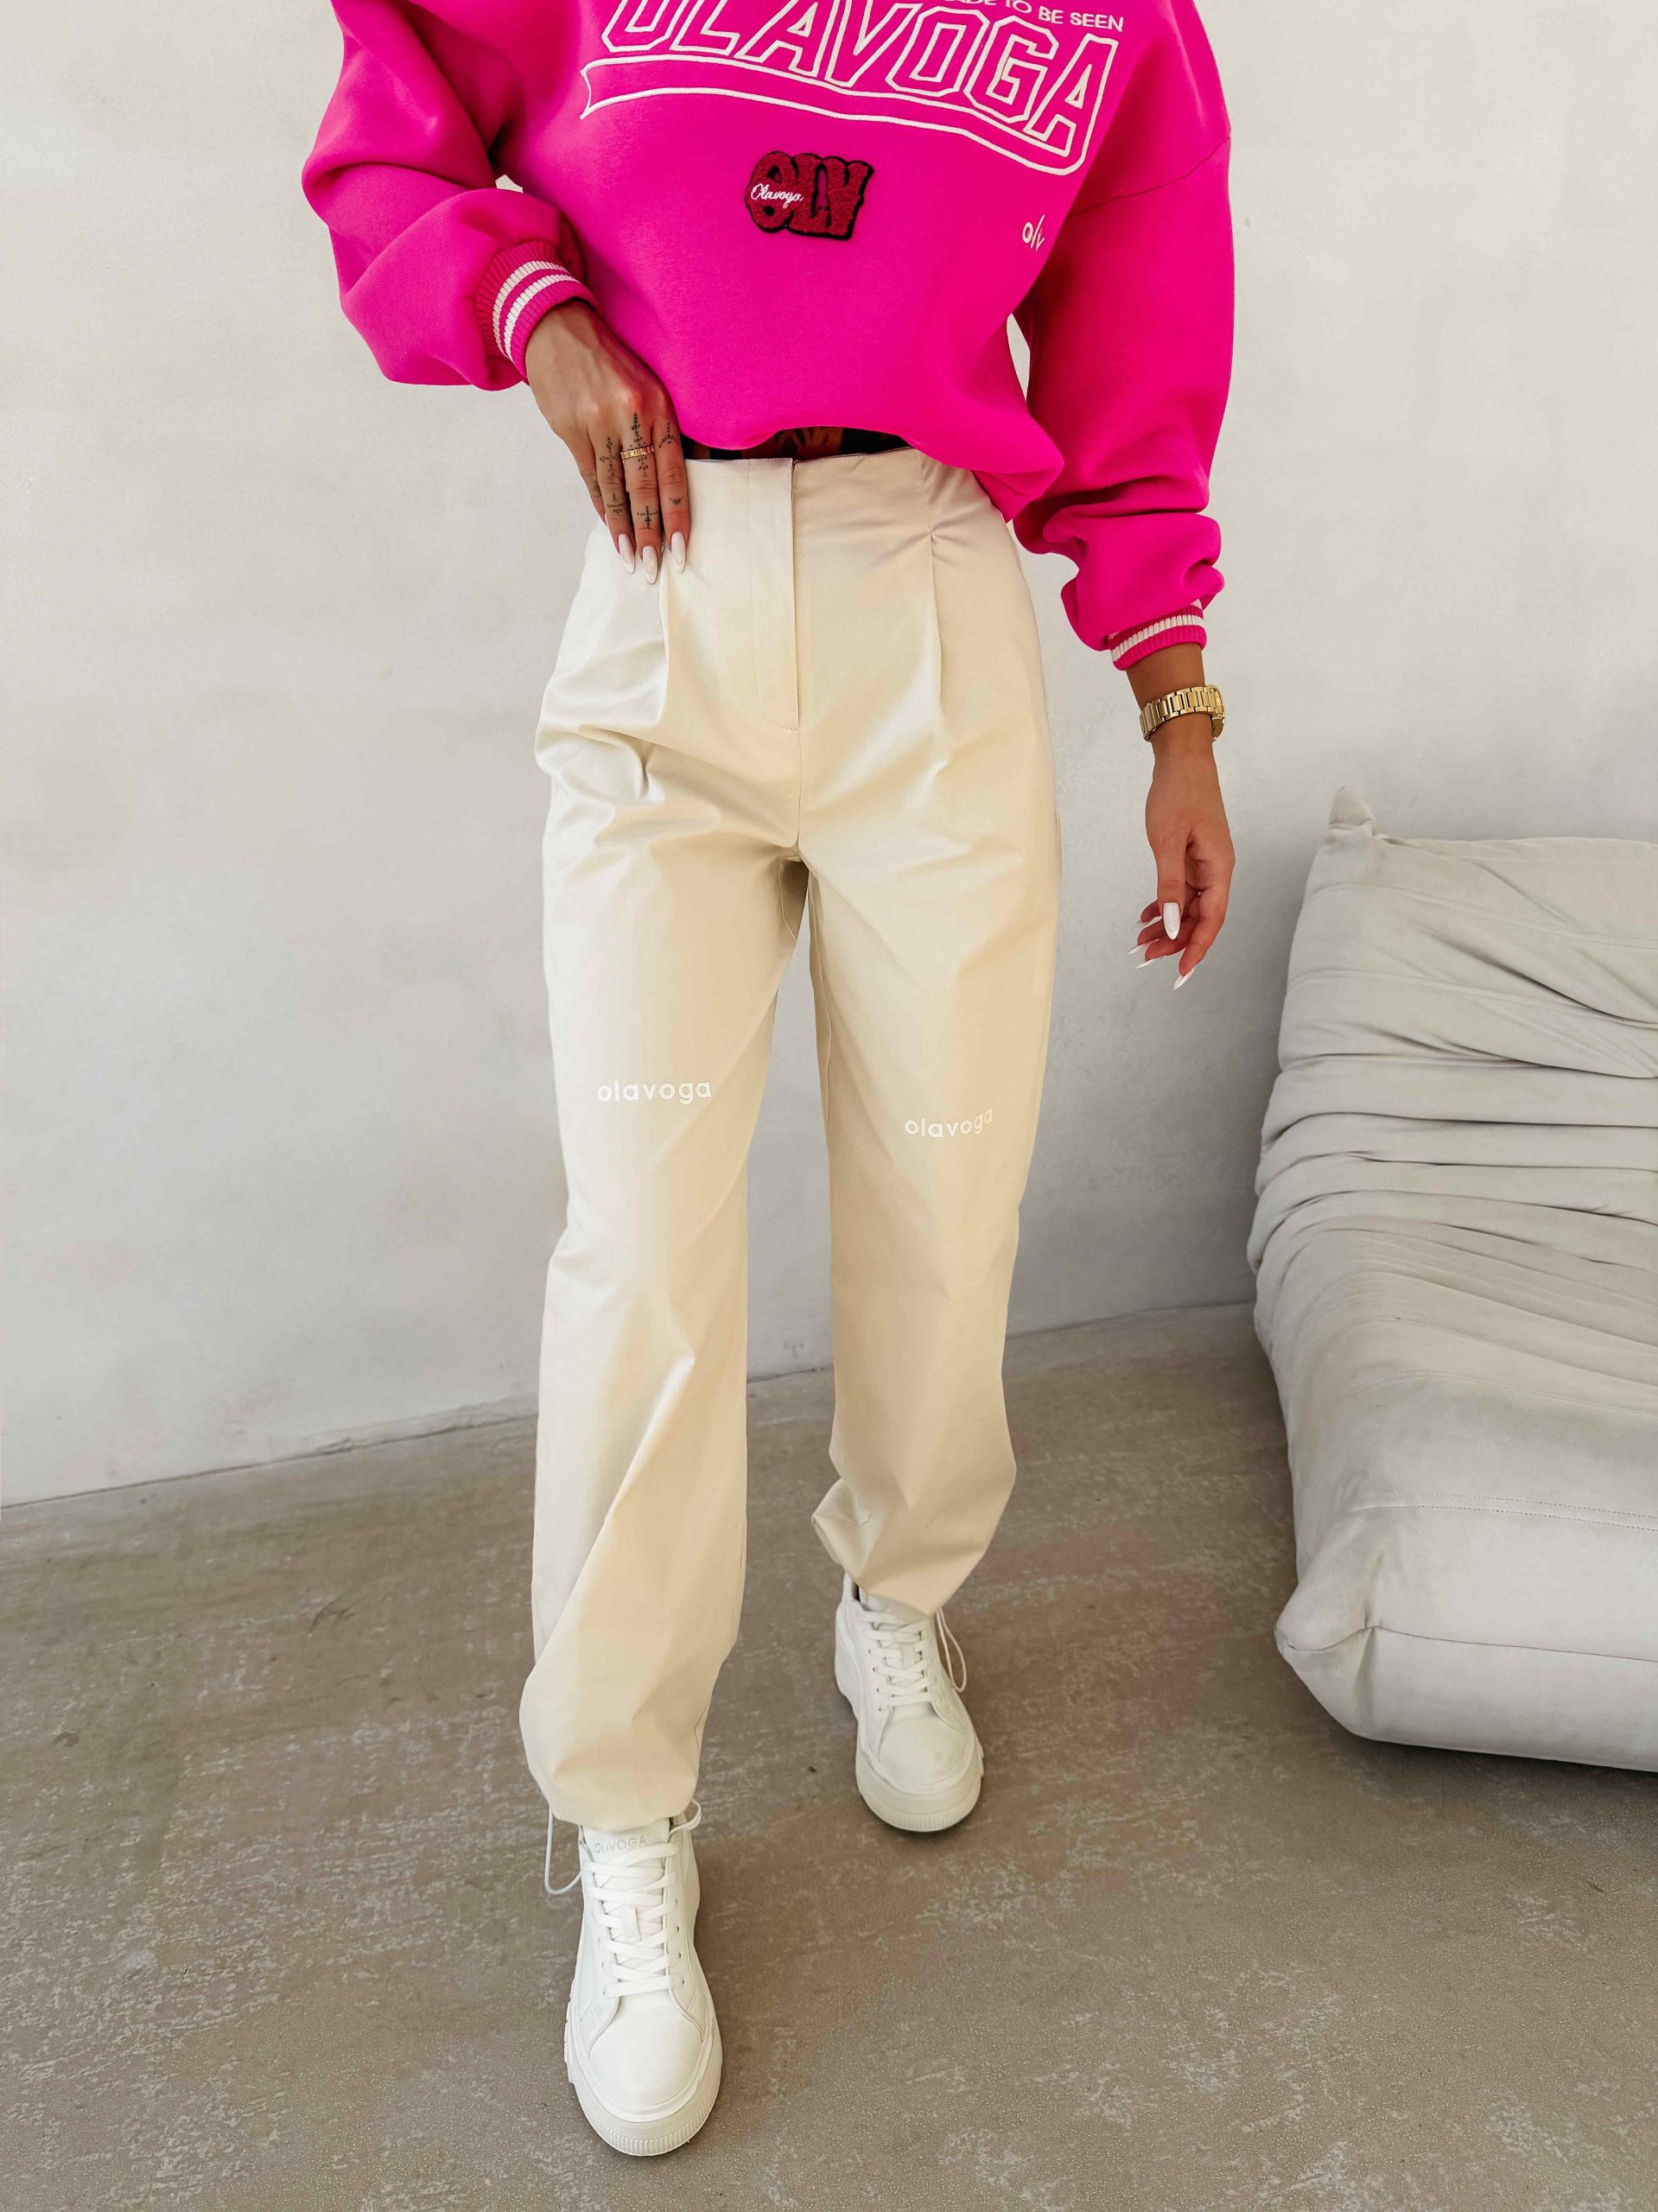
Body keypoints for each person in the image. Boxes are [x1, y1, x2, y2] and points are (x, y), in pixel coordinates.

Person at [305, 0, 1235, 2157]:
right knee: (640, 1251)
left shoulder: (1113, 22)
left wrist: (1177, 704)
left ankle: (898, 1597)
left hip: (932, 601)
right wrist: (532, 310)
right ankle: (628, 1815)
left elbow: (1141, 344)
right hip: (666, 598)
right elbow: (391, 128)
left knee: (950, 1182)